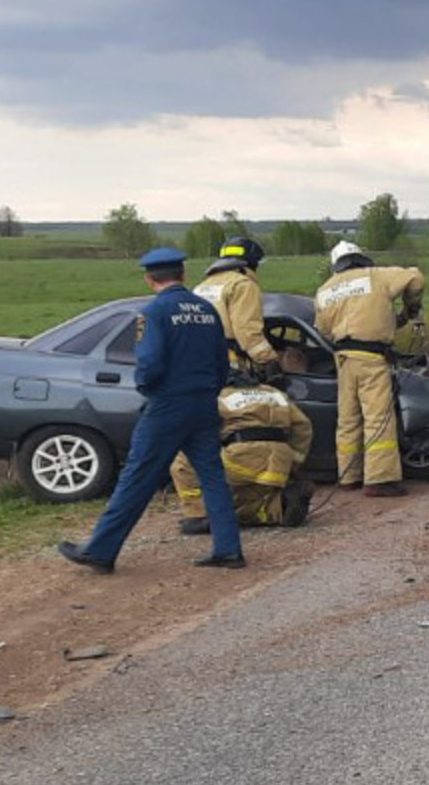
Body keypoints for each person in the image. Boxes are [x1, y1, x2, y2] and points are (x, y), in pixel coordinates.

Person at [57, 248, 244, 573]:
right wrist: (208, 390)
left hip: (168, 404)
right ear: (183, 274)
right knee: (212, 476)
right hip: (203, 403)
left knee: (137, 475)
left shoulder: (154, 312)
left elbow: (150, 363)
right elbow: (221, 361)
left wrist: (147, 388)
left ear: (149, 279)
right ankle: (228, 549)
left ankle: (100, 550)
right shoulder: (207, 310)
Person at [314, 241, 425, 496]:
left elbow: (323, 329)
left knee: (348, 419)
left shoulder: (325, 289)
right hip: (371, 358)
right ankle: (379, 479)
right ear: (360, 257)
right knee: (378, 417)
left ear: (336, 264)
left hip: (343, 359)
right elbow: (416, 278)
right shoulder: (376, 276)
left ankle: (348, 476)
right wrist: (410, 307)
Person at [170, 372, 314, 533]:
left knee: (183, 461)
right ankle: (279, 506)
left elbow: (199, 432)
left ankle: (198, 516)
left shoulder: (219, 396)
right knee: (245, 499)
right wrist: (294, 462)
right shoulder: (274, 393)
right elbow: (303, 426)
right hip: (279, 467)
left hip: (242, 460)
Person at [194, 236, 281, 379]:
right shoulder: (243, 285)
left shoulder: (201, 287)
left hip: (199, 360)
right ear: (252, 263)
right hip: (229, 363)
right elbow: (247, 331)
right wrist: (268, 360)